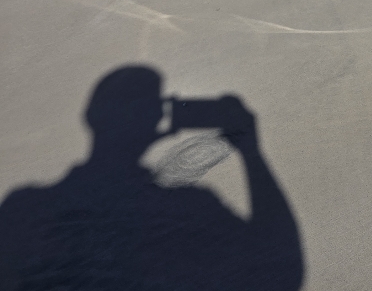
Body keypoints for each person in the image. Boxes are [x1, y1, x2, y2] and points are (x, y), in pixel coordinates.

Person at [0, 66, 303, 290]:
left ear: (90, 118)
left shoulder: (22, 209)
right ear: (157, 119)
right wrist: (252, 154)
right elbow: (284, 271)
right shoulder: (191, 208)